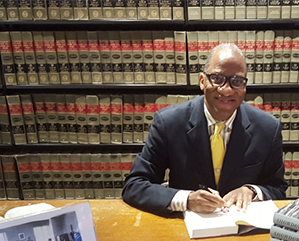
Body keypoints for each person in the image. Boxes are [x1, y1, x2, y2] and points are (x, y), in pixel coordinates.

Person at [122, 43, 287, 217]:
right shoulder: (169, 123)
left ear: (245, 86)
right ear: (202, 81)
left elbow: (277, 188)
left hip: (242, 231)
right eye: (217, 78)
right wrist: (187, 200)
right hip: (185, 231)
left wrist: (252, 191)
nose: (226, 89)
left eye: (237, 81)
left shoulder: (268, 129)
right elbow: (135, 185)